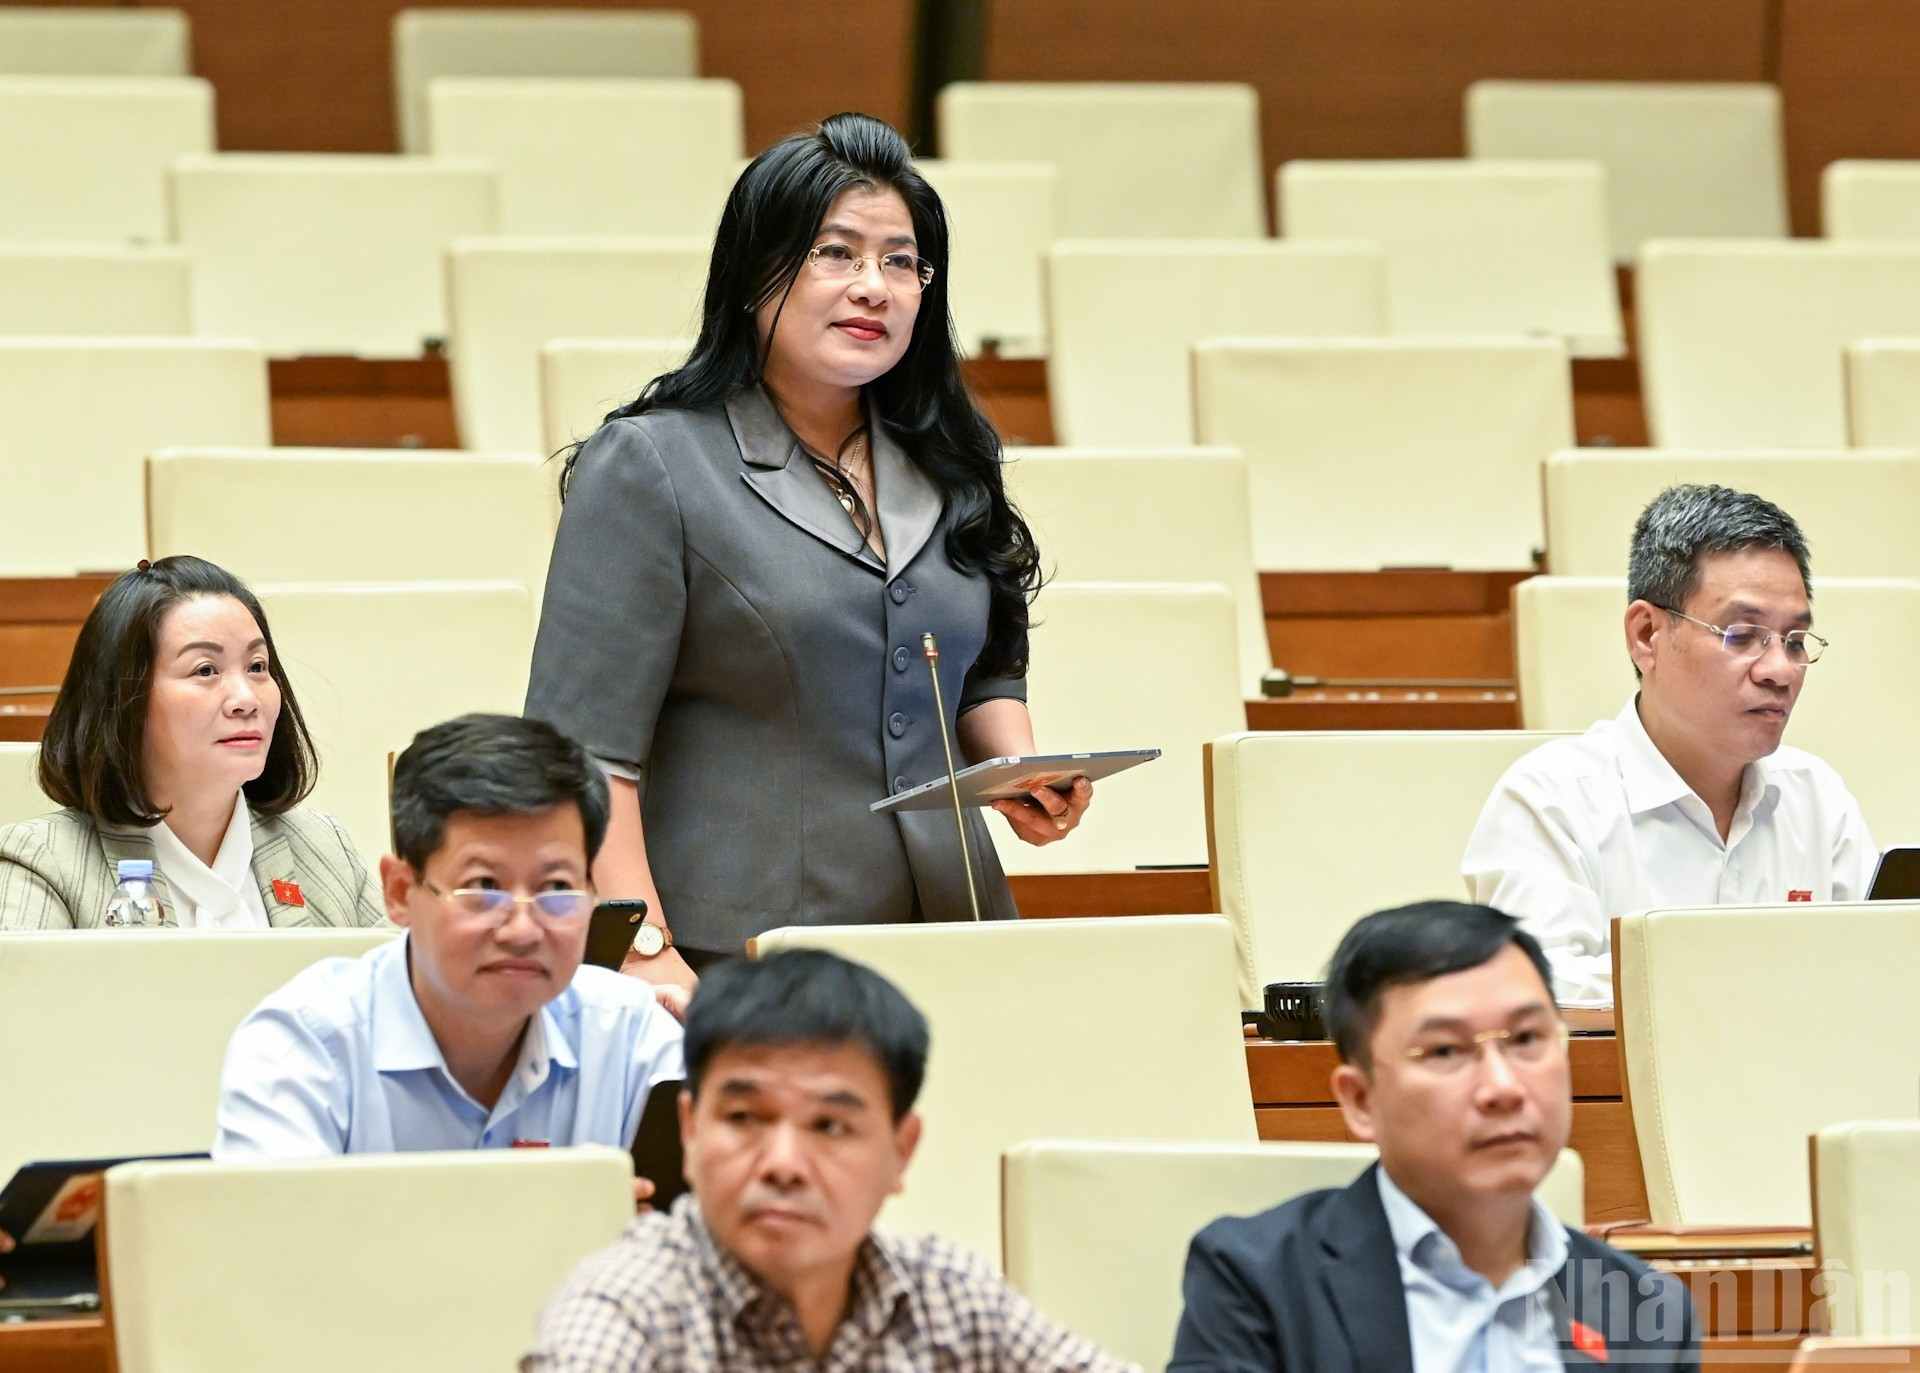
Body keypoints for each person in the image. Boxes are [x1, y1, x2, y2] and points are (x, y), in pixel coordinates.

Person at [525, 112, 1092, 992]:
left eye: (901, 261)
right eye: (837, 253)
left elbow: (981, 675)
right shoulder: (654, 463)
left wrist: (1019, 772)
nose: (875, 286)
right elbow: (584, 750)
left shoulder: (947, 458)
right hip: (732, 955)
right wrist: (643, 951)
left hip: (954, 933)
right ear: (758, 274)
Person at [521, 948, 1137, 1373]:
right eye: (744, 1119)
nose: (783, 1164)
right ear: (689, 1129)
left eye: (830, 1126)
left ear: (901, 1152)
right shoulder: (625, 1305)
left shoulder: (950, 1298)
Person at [1170, 901, 1699, 1373]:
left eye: (1526, 1038)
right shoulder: (1258, 1279)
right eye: (1445, 1051)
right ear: (1360, 1102)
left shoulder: (1644, 1308)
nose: (1502, 1087)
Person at [213, 714, 684, 1170]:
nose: (522, 930)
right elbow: (270, 1245)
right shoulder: (304, 1052)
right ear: (400, 892)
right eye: (483, 887)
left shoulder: (633, 1039)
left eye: (558, 889)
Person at [1462, 485, 1874, 1004]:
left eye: (1794, 641)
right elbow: (1535, 992)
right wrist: (1767, 979)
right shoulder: (1550, 800)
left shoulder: (1818, 797)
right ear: (1646, 635)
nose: (1779, 671)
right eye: (1742, 635)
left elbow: (1879, 966)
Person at [0, 556, 385, 931]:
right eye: (205, 670)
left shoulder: (322, 847)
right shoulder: (45, 863)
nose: (246, 698)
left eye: (257, 667)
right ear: (123, 700)